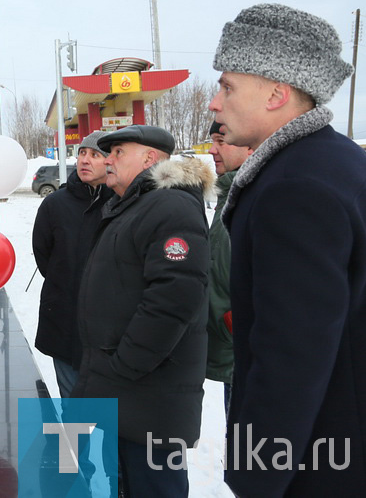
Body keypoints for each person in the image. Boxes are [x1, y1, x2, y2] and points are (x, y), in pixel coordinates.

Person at [208, 3, 366, 497]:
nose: (214, 102)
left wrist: (256, 477)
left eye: (228, 86)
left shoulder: (294, 186)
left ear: (277, 93)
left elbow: (292, 358)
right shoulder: (333, 161)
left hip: (317, 465)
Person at [73, 124, 213, 497]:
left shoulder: (171, 205)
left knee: (154, 487)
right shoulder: (135, 204)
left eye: (118, 152)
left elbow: (174, 296)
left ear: (150, 158)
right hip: (130, 394)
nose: (108, 160)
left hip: (149, 395)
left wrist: (125, 365)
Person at [31, 130, 113, 398]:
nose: (85, 160)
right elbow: (43, 254)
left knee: (105, 408)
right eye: (82, 153)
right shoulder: (55, 204)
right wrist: (66, 281)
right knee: (73, 404)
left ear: (110, 161)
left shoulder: (121, 202)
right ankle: (78, 441)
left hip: (106, 328)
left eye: (95, 155)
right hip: (64, 319)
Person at [205, 120, 252, 413]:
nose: (211, 150)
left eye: (222, 141)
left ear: (251, 144)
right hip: (233, 348)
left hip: (250, 354)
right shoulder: (231, 194)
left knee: (255, 449)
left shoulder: (261, 193)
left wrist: (238, 322)